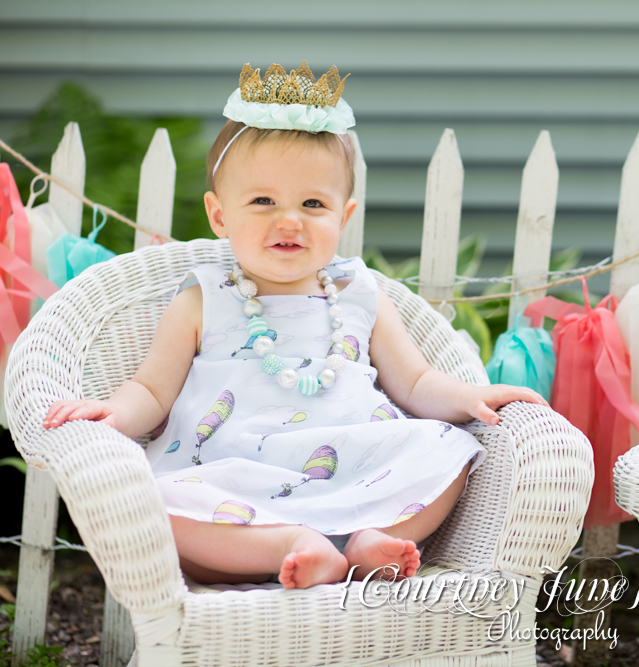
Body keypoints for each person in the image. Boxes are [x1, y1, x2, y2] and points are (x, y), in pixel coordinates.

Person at [41, 62, 546, 590]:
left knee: (449, 449)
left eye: (312, 204)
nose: (289, 220)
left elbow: (416, 384)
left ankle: (367, 539)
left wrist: (471, 397)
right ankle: (294, 545)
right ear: (219, 216)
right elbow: (151, 388)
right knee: (153, 504)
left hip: (355, 463)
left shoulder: (359, 293)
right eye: (263, 201)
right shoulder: (203, 300)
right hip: (234, 475)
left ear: (342, 217)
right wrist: (116, 411)